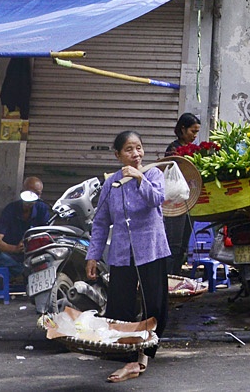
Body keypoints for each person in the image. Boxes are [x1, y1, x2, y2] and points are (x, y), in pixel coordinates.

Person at [87, 130, 170, 383]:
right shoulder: (110, 184)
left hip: (151, 249)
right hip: (122, 252)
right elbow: (101, 222)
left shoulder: (153, 174)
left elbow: (158, 199)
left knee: (153, 304)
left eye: (139, 148)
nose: (136, 154)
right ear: (118, 155)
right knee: (120, 305)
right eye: (129, 150)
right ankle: (127, 355)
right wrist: (93, 255)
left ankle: (142, 358)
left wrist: (138, 179)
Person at [0, 174, 50, 271]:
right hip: (10, 256)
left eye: (37, 194)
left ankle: (20, 271)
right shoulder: (10, 209)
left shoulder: (42, 209)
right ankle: (21, 270)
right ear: (22, 192)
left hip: (32, 256)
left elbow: (46, 236)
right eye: (29, 192)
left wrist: (30, 244)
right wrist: (15, 248)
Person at [162, 113, 202, 263]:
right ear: (183, 129)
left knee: (183, 245)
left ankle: (176, 275)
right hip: (175, 201)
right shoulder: (174, 149)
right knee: (174, 245)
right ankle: (169, 279)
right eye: (193, 131)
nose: (195, 136)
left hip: (189, 200)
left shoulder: (193, 149)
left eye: (197, 132)